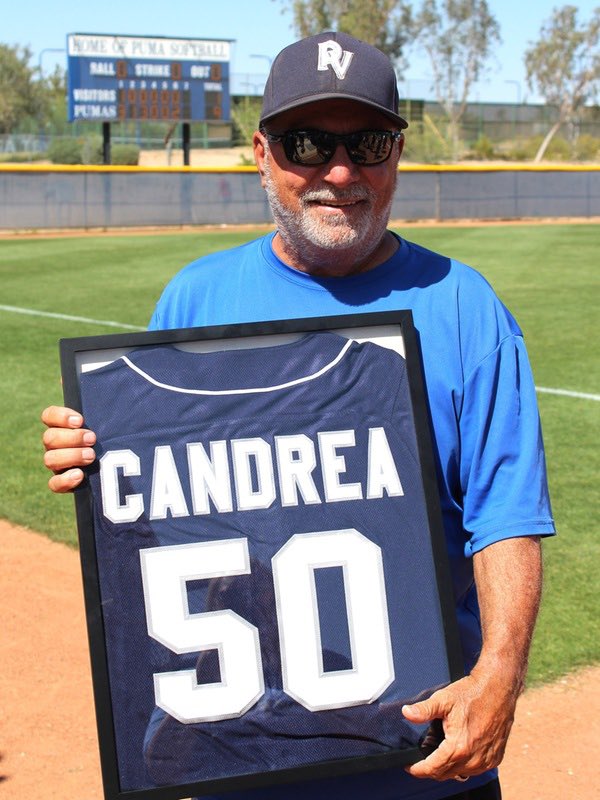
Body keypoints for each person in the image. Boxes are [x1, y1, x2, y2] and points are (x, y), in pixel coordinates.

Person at [42, 31, 555, 800]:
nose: (339, 172)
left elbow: (505, 516)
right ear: (261, 153)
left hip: (421, 773)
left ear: (398, 152)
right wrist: (95, 460)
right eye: (306, 143)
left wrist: (502, 675)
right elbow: (155, 522)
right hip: (242, 766)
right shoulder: (195, 298)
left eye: (368, 142)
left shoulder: (464, 305)